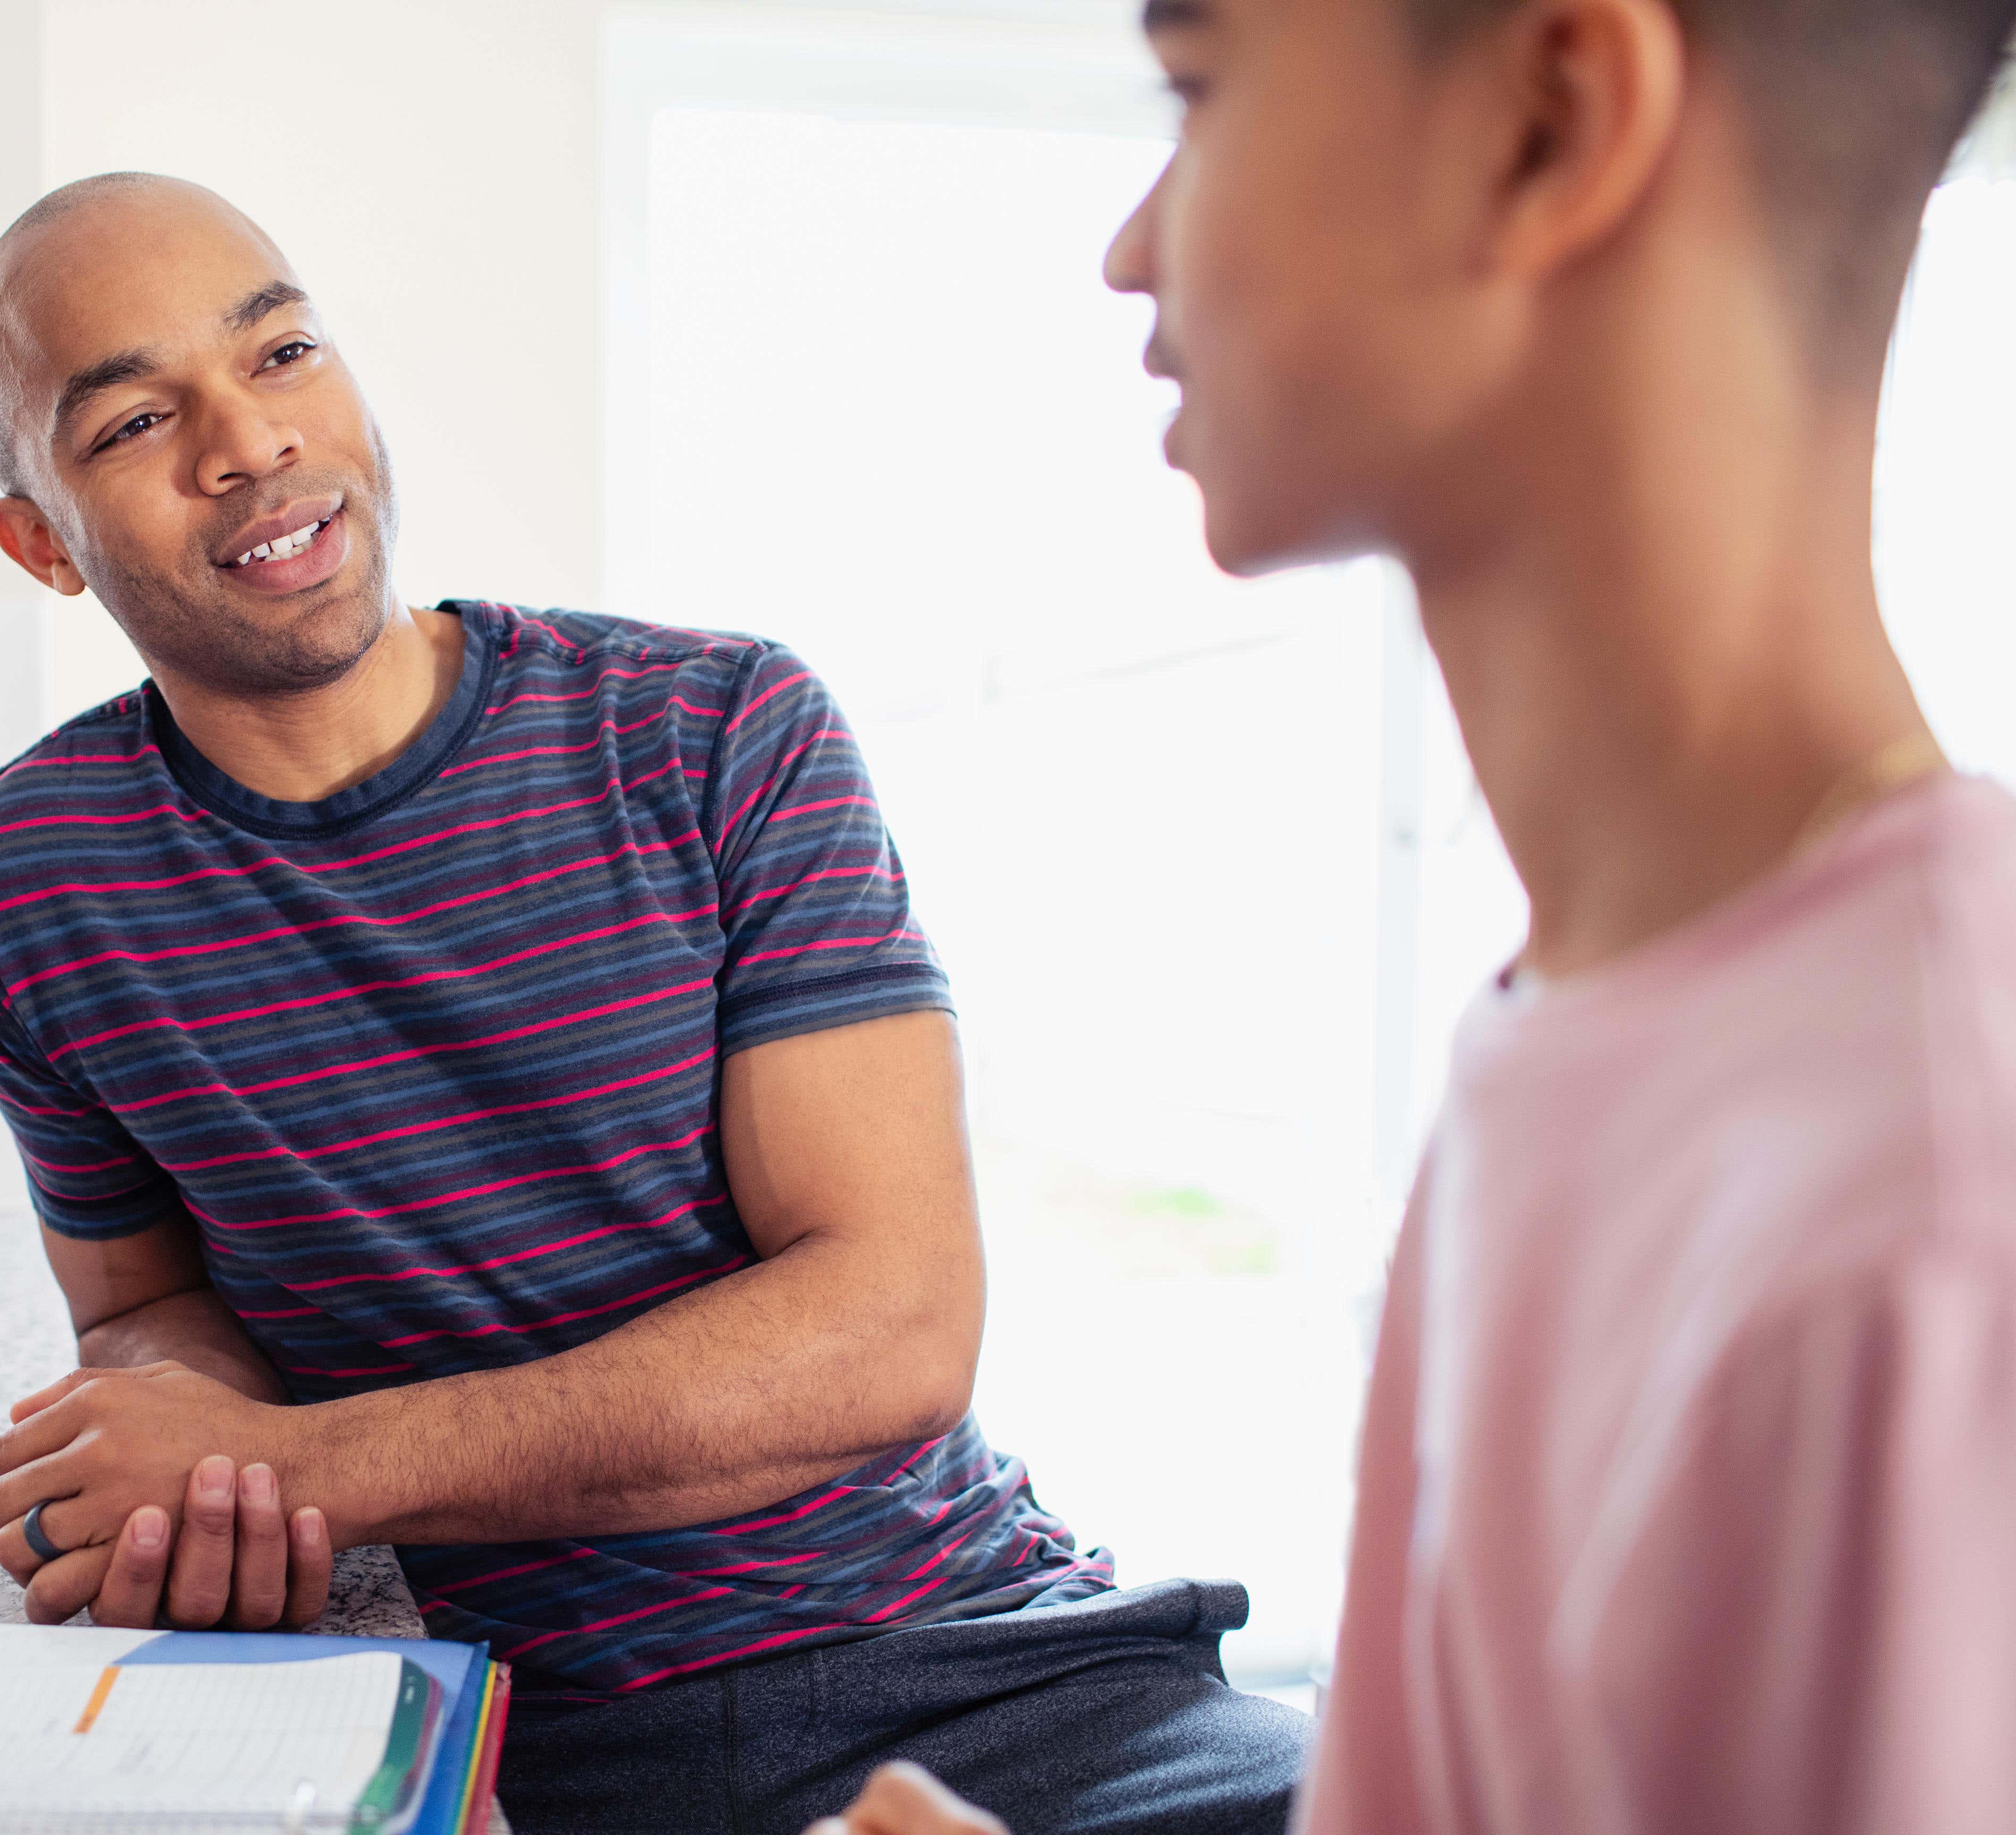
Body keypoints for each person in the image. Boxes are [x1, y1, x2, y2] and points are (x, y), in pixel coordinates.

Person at [0, 173, 1312, 1832]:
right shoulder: (13, 884)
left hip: (987, 1671)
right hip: (499, 1736)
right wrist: (166, 1443)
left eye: (282, 351)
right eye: (139, 418)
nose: (248, 442)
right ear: (38, 543)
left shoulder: (723, 729)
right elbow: (144, 1297)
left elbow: (895, 1329)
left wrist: (304, 1470)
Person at [814, 0, 2016, 1832]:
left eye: (1199, 93)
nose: (1130, 243)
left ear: (1551, 117)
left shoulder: (1933, 1209)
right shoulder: (1574, 1030)